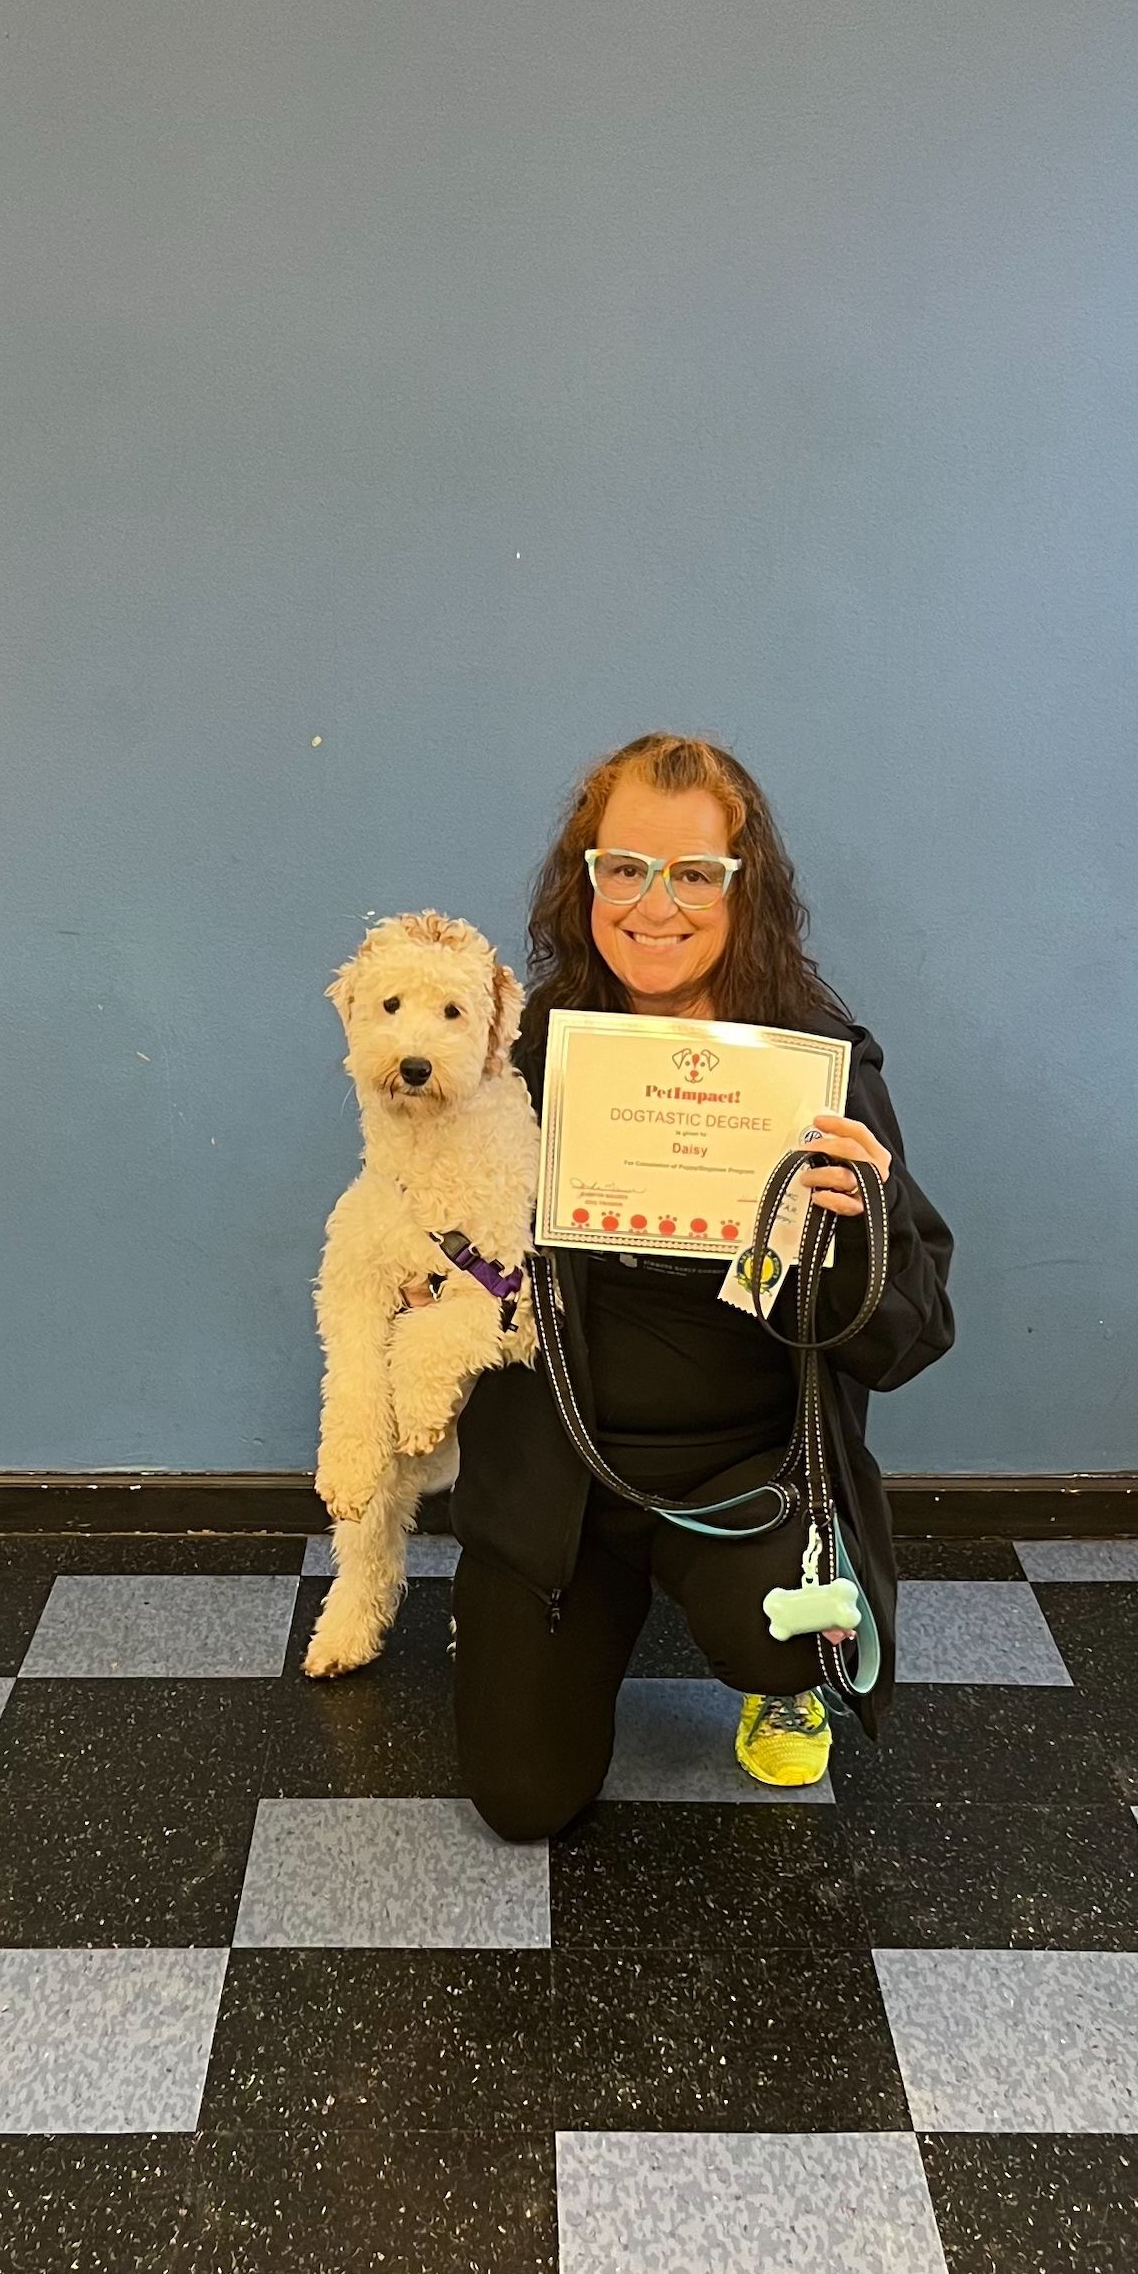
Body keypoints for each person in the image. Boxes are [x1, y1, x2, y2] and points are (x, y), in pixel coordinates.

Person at [447, 733, 956, 1838]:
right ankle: (547, 1610)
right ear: (585, 878)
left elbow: (911, 1339)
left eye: (693, 873)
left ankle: (782, 1681)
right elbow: (451, 1231)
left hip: (745, 1471)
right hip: (562, 1467)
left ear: (744, 885)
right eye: (623, 868)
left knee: (777, 1636)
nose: (653, 905)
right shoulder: (528, 1047)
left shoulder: (813, 1060)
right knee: (521, 1798)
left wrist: (863, 1226)